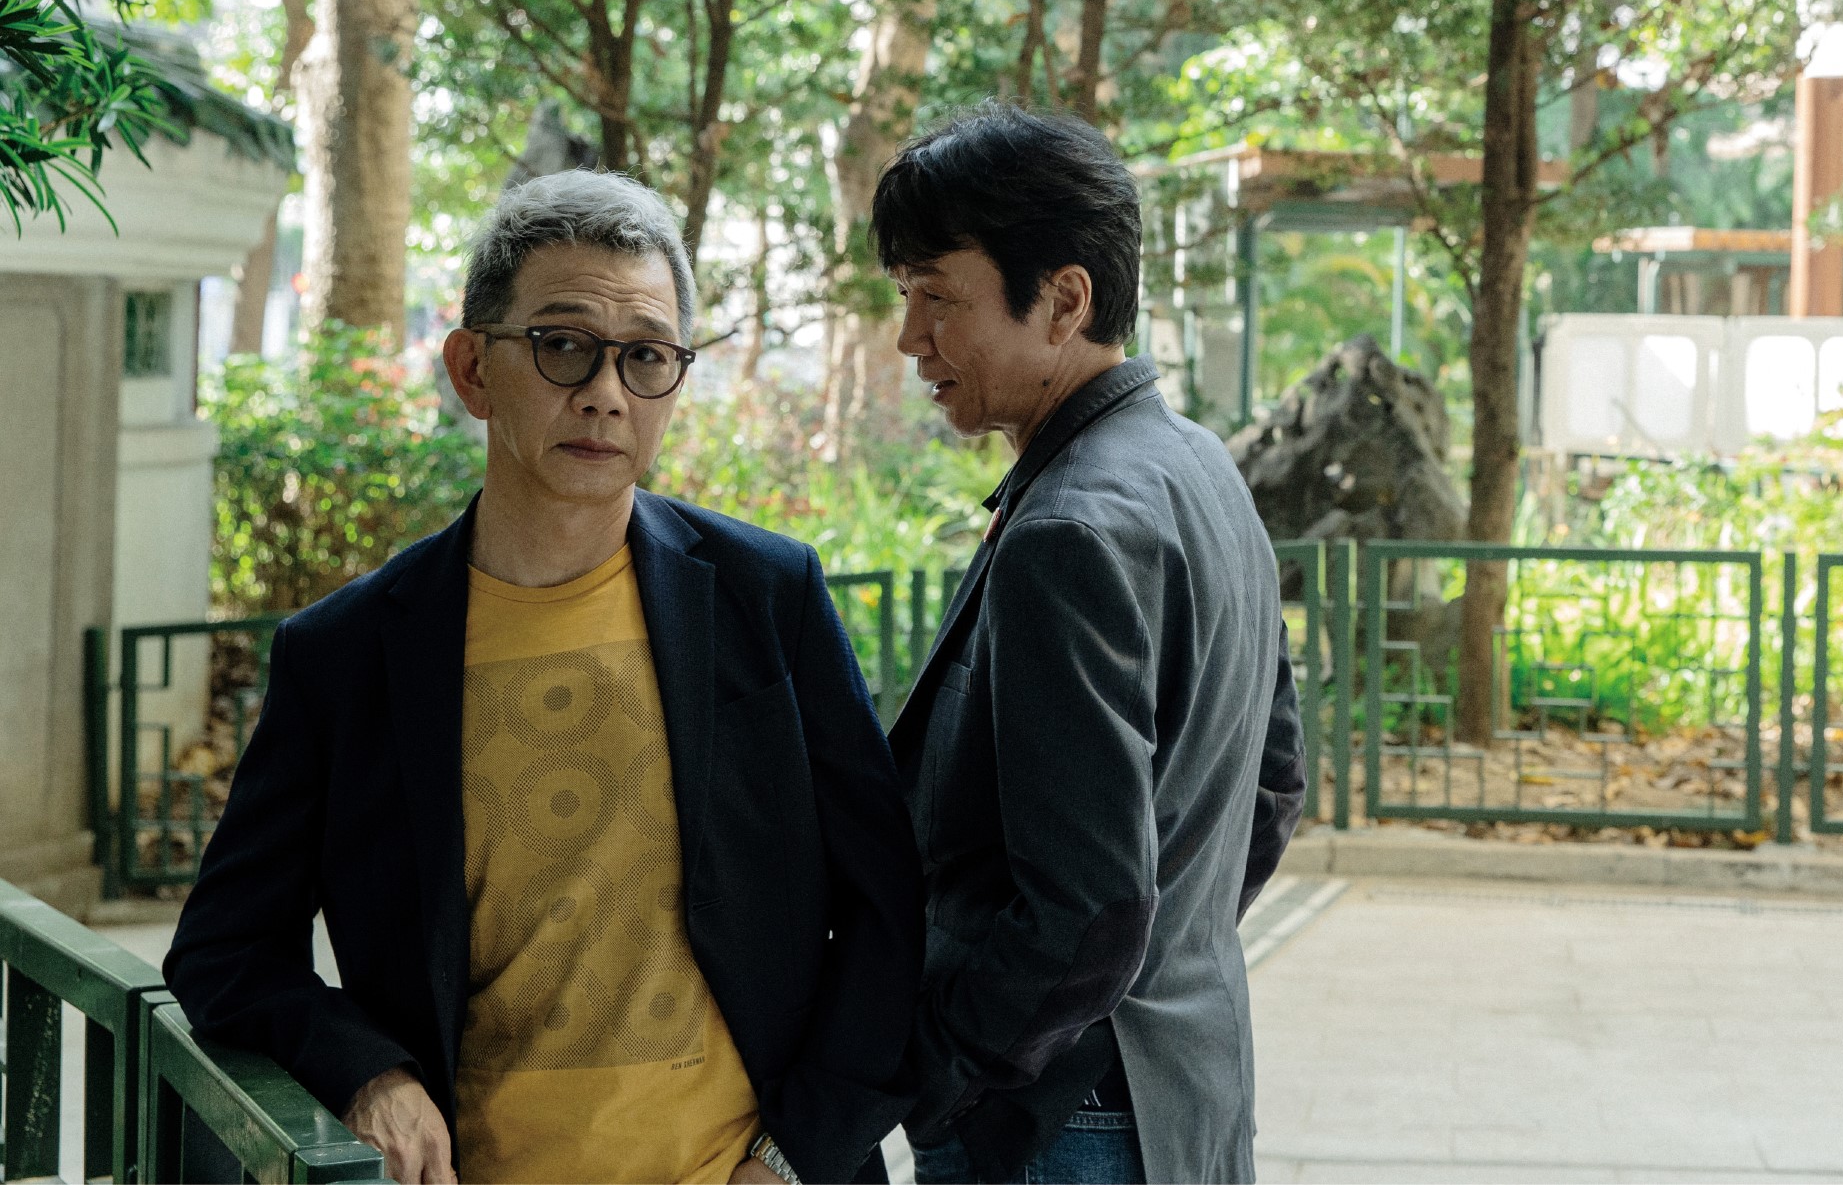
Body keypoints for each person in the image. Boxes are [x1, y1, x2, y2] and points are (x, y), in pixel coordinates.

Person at [164, 170, 922, 1185]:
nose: (606, 392)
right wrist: (367, 1073)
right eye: (564, 345)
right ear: (472, 369)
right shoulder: (346, 654)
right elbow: (225, 949)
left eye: (645, 355)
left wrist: (794, 1157)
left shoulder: (766, 597)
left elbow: (887, 909)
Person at [875, 103, 1306, 1185]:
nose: (910, 336)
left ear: (1064, 300)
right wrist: (1164, 963)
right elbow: (1273, 785)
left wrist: (936, 1069)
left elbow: (1089, 904)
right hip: (1182, 1092)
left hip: (1062, 1126)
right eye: (904, 295)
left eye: (937, 296)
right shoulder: (1198, 464)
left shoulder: (1068, 528)